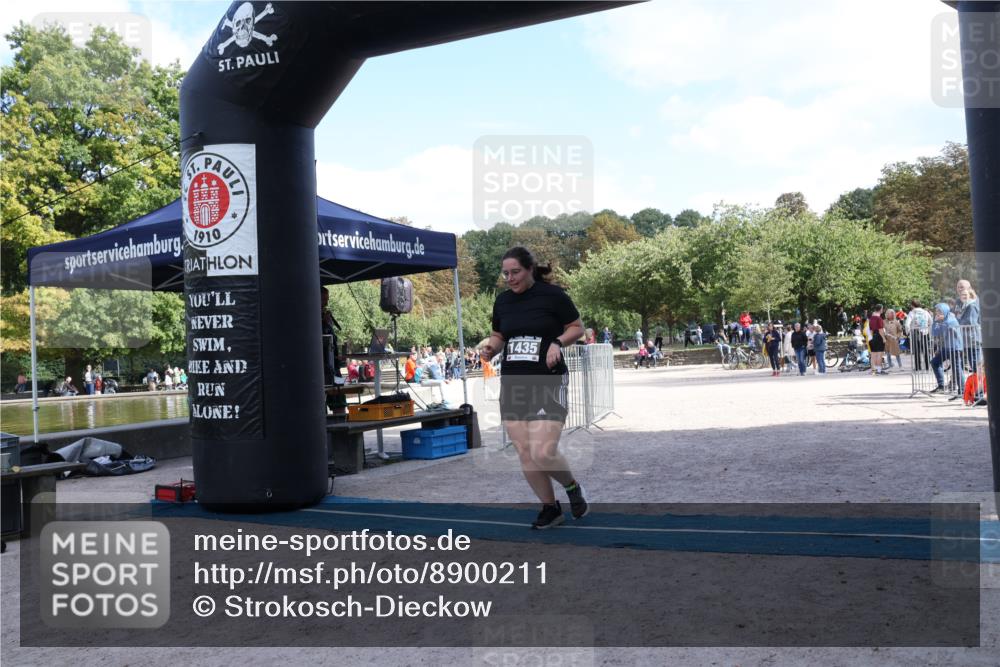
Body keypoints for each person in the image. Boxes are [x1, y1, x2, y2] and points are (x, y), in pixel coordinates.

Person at [482, 246, 587, 529]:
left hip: (547, 380)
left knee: (543, 452)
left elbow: (577, 328)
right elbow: (499, 334)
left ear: (530, 269)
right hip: (514, 383)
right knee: (525, 453)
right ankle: (550, 508)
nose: (510, 278)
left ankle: (572, 487)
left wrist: (557, 343)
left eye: (515, 272)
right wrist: (491, 348)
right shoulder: (502, 301)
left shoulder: (552, 296)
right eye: (505, 273)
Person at [930, 302, 964, 394]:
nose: (938, 313)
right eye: (937, 312)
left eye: (940, 311)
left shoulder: (951, 319)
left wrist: (939, 323)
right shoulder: (940, 321)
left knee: (956, 367)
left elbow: (947, 327)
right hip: (946, 347)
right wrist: (935, 322)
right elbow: (934, 333)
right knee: (934, 362)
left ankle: (963, 389)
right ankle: (941, 386)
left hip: (955, 347)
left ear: (945, 311)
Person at [905, 299, 933, 371]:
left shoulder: (912, 313)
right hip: (925, 332)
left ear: (912, 305)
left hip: (915, 332)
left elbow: (907, 324)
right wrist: (929, 330)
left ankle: (918, 367)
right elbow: (931, 321)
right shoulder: (925, 312)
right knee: (926, 350)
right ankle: (927, 366)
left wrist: (908, 332)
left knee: (917, 350)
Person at [868, 304, 887, 375]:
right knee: (879, 354)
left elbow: (870, 330)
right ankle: (879, 370)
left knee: (873, 355)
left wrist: (871, 338)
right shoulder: (879, 318)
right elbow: (880, 330)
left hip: (873, 337)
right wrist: (884, 338)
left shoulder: (871, 318)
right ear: (881, 309)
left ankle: (874, 370)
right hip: (879, 336)